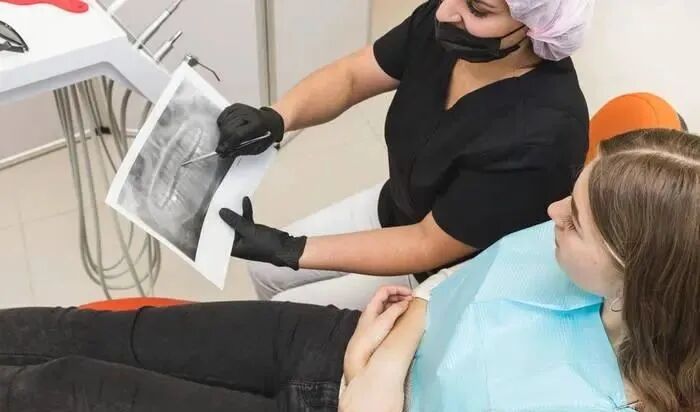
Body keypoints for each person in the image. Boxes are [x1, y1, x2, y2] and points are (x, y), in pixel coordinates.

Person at [1, 128, 697, 411]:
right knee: (94, 336)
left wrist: (371, 392)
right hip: (342, 345)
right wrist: (379, 362)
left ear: (636, 272)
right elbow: (442, 292)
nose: (551, 212)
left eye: (575, 220)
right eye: (572, 194)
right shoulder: (564, 249)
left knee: (65, 390)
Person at [213, 0, 595, 309]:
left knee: (285, 310)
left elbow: (427, 243)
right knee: (264, 272)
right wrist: (277, 117)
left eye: (478, 9)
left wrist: (291, 248)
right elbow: (352, 76)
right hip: (398, 205)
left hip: (442, 274)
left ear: (536, 28)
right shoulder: (448, 23)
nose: (445, 12)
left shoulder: (544, 134)